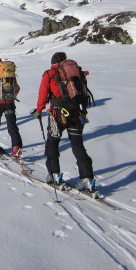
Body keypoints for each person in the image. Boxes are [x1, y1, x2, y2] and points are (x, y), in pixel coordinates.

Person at [35, 52, 95, 191]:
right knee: (77, 145)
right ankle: (87, 178)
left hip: (58, 115)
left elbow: (43, 94)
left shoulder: (50, 74)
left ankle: (54, 174)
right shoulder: (76, 72)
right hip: (77, 113)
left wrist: (39, 110)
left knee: (52, 143)